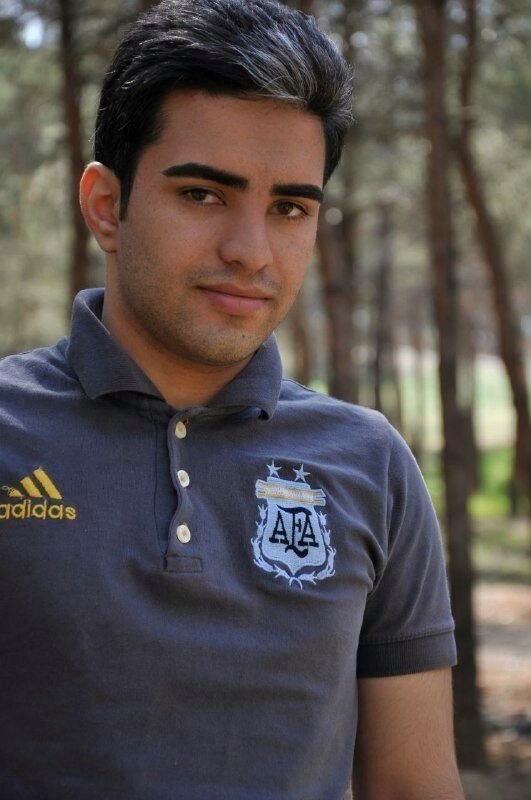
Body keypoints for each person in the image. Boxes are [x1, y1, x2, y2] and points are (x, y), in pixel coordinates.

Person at [0, 1, 465, 798]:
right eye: (203, 195)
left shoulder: (369, 464)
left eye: (289, 208)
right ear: (106, 206)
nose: (250, 252)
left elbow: (412, 786)